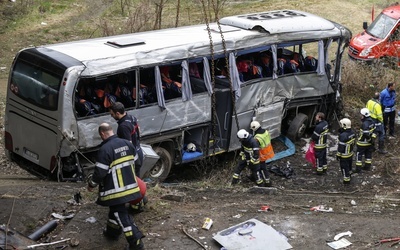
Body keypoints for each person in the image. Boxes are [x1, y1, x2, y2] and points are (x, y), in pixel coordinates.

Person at [87, 123, 144, 250]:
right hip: (131, 187)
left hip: (115, 191)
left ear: (102, 134)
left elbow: (100, 173)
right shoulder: (127, 144)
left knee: (121, 215)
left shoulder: (105, 149)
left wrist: (91, 184)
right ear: (111, 131)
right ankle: (112, 233)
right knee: (115, 211)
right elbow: (137, 162)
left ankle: (136, 243)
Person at [110, 102, 147, 213]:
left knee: (133, 183)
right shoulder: (131, 117)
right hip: (138, 152)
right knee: (137, 180)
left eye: (112, 114)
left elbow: (128, 145)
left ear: (117, 113)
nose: (111, 116)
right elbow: (137, 133)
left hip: (132, 157)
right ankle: (141, 201)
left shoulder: (123, 126)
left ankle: (137, 207)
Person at [250, 121, 275, 187]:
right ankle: (253, 176)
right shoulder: (266, 131)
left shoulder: (257, 137)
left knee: (262, 168)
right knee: (259, 167)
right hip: (268, 151)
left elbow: (256, 147)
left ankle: (267, 182)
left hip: (262, 154)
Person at [355, 108, 376, 173]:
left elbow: (366, 134)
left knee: (359, 155)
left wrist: (369, 139)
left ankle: (358, 169)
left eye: (361, 115)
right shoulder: (372, 122)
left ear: (364, 115)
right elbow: (375, 132)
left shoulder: (365, 124)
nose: (360, 116)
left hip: (362, 143)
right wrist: (372, 140)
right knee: (368, 155)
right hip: (369, 144)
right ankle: (367, 167)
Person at [336, 118, 356, 184]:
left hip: (344, 156)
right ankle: (349, 175)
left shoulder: (343, 135)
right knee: (349, 166)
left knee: (344, 168)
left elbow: (341, 147)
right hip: (350, 154)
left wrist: (338, 155)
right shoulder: (352, 133)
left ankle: (346, 181)